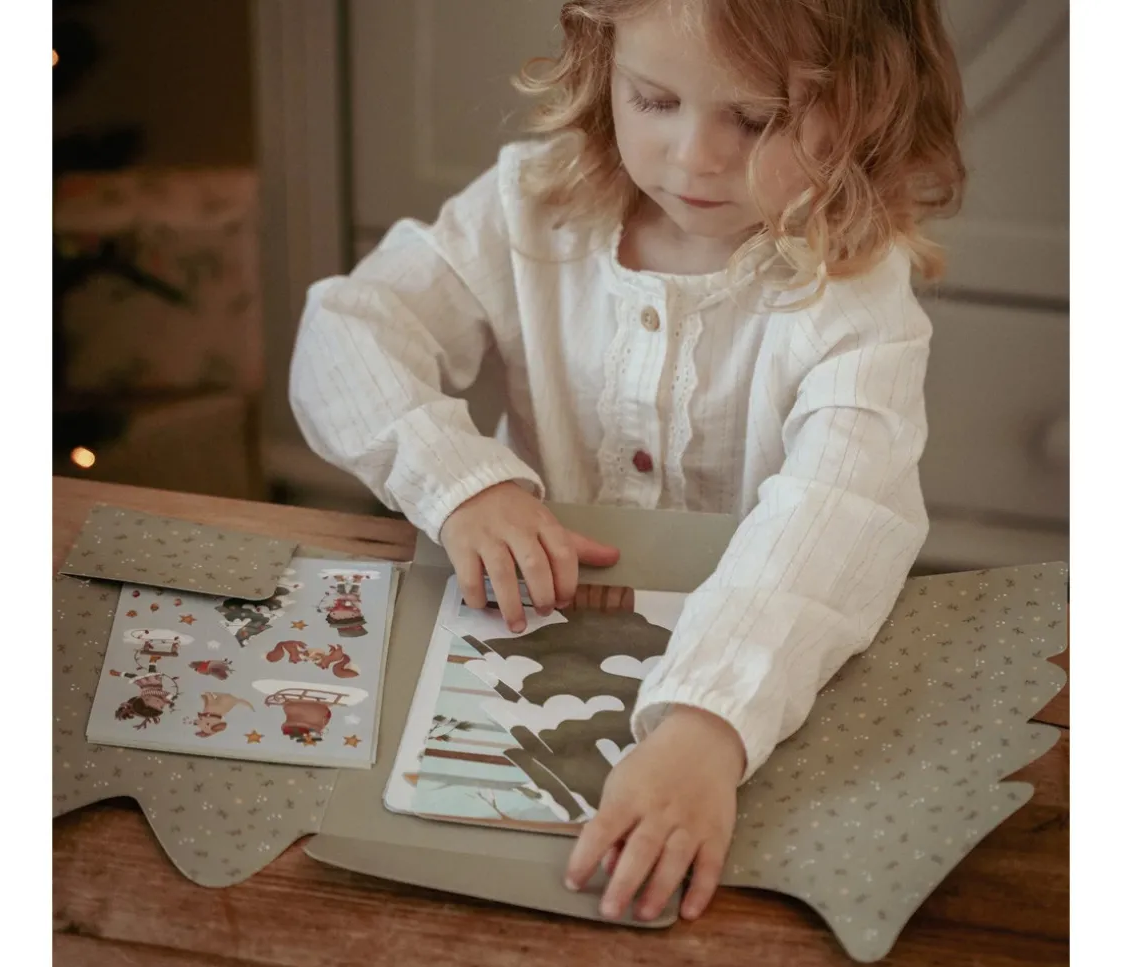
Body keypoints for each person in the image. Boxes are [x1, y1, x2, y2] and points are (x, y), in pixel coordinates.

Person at [289, 0, 965, 924]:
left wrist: (705, 728)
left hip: (756, 691)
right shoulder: (536, 202)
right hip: (518, 646)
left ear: (869, 108)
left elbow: (839, 511)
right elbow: (347, 333)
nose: (695, 157)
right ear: (602, 62)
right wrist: (462, 482)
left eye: (756, 119)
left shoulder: (854, 297)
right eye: (653, 99)